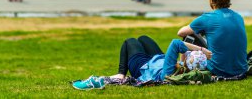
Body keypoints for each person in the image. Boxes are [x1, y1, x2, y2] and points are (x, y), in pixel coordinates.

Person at [72, 35, 212, 90]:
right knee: (144, 38)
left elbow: (176, 43)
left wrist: (201, 49)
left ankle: (120, 73)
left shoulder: (169, 72)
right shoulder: (186, 70)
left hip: (143, 67)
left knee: (130, 41)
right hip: (158, 58)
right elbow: (183, 54)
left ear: (188, 62)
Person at [177, 0, 248, 78]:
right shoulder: (238, 17)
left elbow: (180, 33)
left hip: (217, 70)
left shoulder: (207, 18)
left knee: (189, 35)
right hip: (241, 70)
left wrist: (196, 28)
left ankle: (182, 66)